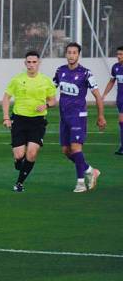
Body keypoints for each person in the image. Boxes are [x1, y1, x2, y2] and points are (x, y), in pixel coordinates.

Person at [2, 51, 57, 193]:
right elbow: (6, 98)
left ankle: (19, 183)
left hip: (37, 121)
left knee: (31, 153)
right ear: (25, 63)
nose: (31, 65)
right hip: (19, 120)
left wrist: (46, 105)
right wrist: (6, 117)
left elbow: (53, 100)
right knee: (19, 155)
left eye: (34, 62)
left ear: (39, 63)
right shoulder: (17, 80)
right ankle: (18, 162)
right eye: (29, 62)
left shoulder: (46, 81)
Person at [53, 43, 105, 192]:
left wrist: (101, 116)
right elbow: (51, 88)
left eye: (74, 53)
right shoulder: (60, 71)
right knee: (66, 150)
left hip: (78, 116)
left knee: (76, 148)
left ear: (78, 55)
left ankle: (81, 183)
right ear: (66, 54)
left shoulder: (86, 73)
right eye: (69, 52)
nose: (71, 55)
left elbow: (98, 96)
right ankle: (90, 170)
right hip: (64, 117)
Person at [102, 45, 123, 155]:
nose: (118, 56)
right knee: (121, 123)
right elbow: (111, 82)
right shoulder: (115, 67)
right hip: (119, 99)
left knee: (121, 121)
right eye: (118, 54)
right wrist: (104, 94)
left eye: (121, 54)